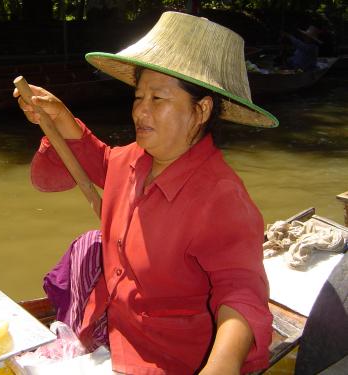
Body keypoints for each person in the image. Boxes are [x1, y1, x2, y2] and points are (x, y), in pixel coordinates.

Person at [14, 12, 278, 374]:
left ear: (200, 110)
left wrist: (221, 367)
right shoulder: (134, 159)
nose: (141, 110)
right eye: (139, 96)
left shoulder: (222, 197)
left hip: (171, 359)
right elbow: (103, 161)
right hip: (119, 332)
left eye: (158, 99)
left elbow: (242, 291)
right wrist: (61, 118)